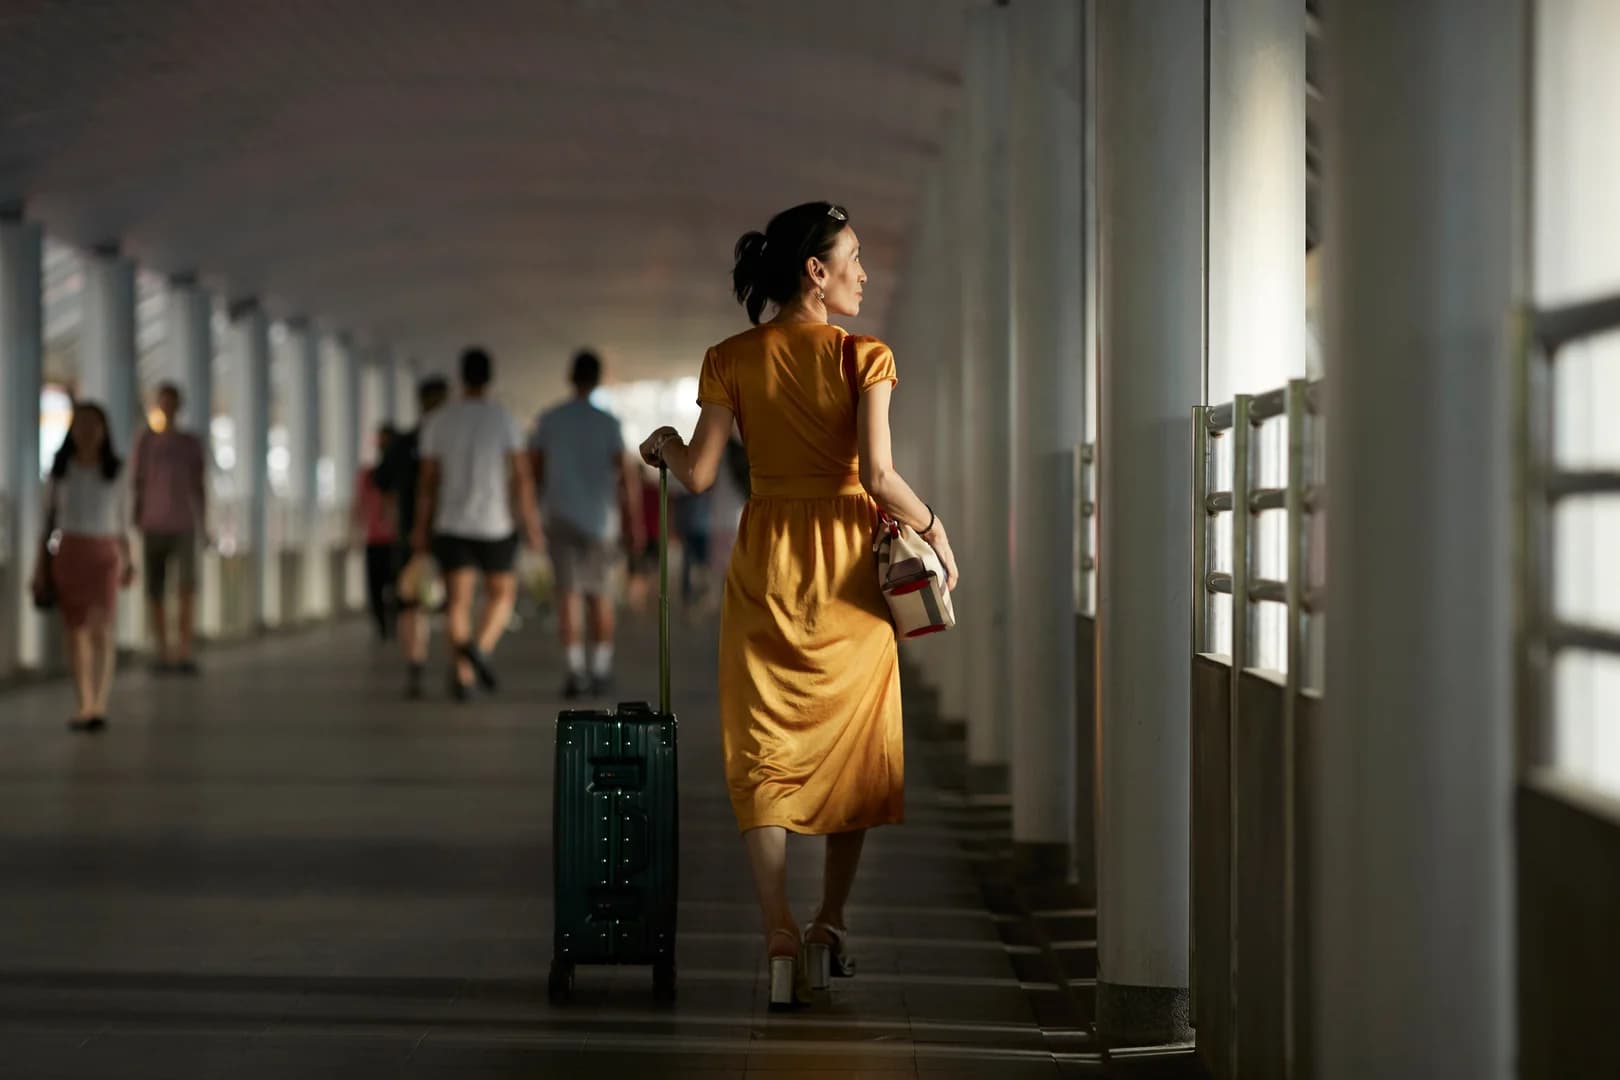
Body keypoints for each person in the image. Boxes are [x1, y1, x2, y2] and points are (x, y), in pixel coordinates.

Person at [638, 202, 959, 1007]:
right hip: (849, 566)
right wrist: (936, 529)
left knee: (763, 742)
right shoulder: (866, 357)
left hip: (769, 562)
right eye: (852, 256)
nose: (862, 271)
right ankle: (829, 923)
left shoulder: (731, 358)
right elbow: (880, 477)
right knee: (853, 740)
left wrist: (665, 446)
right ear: (815, 272)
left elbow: (702, 475)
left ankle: (778, 927)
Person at [411, 349, 542, 701]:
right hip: (494, 523)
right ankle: (478, 652)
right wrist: (531, 524)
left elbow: (427, 484)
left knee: (457, 602)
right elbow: (522, 478)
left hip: (451, 523)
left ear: (461, 376)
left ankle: (465, 675)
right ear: (490, 377)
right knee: (502, 595)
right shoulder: (504, 419)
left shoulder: (439, 420)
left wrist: (420, 529)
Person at [529, 349, 644, 698]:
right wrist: (634, 522)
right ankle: (600, 669)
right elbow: (626, 477)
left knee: (567, 595)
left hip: (560, 517)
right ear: (597, 379)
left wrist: (537, 507)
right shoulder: (608, 423)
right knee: (600, 596)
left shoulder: (549, 420)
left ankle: (575, 671)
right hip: (601, 522)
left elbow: (534, 470)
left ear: (570, 376)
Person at [31, 402, 136, 731]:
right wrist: (39, 568)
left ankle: (100, 702)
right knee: (76, 632)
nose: (87, 431)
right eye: (81, 424)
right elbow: (47, 524)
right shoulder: (60, 471)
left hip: (104, 553)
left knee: (101, 629)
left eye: (94, 424)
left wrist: (129, 559)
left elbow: (124, 523)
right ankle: (84, 703)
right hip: (70, 552)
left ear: (104, 431)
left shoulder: (117, 471)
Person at [375, 376, 450, 698]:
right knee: (454, 602)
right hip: (452, 532)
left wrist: (397, 523)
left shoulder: (403, 443)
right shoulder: (452, 441)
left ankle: (416, 664)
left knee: (411, 604)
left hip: (410, 535)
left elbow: (384, 486)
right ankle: (460, 668)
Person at [130, 382, 207, 674]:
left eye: (171, 402)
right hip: (153, 523)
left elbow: (199, 486)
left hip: (183, 523)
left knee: (187, 587)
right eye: (162, 402)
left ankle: (183, 649)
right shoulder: (146, 442)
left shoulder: (190, 443)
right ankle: (163, 650)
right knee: (156, 590)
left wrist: (204, 522)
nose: (167, 408)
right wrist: (135, 517)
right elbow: (136, 482)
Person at [353, 424, 399, 641]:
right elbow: (359, 505)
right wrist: (354, 531)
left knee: (396, 586)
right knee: (376, 587)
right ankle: (383, 625)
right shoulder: (367, 474)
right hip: (375, 538)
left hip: (396, 540)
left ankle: (394, 623)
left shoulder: (402, 474)